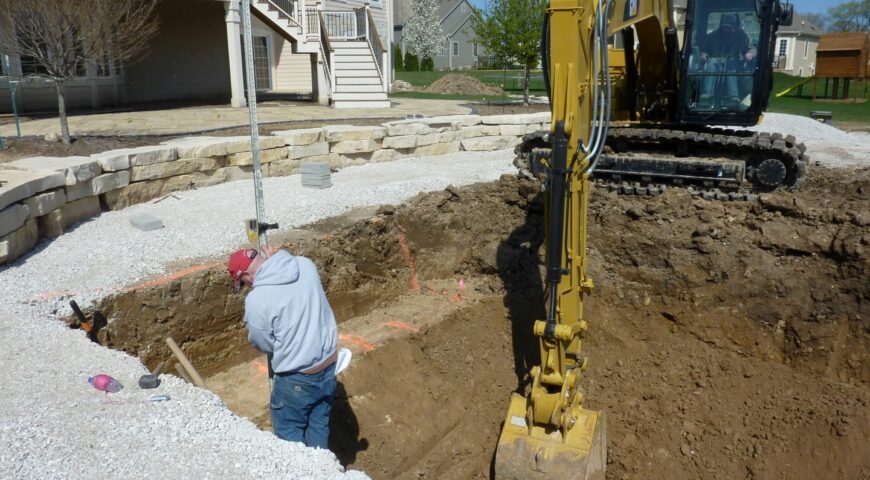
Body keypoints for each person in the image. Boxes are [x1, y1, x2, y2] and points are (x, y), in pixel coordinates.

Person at [227, 245, 338, 449]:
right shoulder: (305, 264)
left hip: (298, 377)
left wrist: (281, 345)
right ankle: (322, 471)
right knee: (318, 424)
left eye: (244, 282)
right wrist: (279, 260)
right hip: (329, 365)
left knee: (289, 432)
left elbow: (261, 342)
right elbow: (292, 271)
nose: (248, 286)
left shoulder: (257, 300)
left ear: (248, 276)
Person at [699, 13, 757, 103]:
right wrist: (703, 55)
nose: (727, 30)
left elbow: (753, 49)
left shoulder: (742, 36)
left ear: (734, 27)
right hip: (716, 60)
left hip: (735, 63)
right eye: (725, 27)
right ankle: (707, 94)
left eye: (729, 27)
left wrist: (750, 54)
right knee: (711, 62)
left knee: (731, 63)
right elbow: (705, 50)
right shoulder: (713, 36)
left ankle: (733, 95)